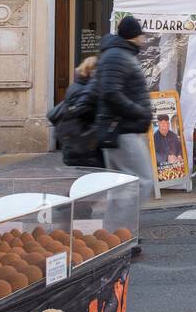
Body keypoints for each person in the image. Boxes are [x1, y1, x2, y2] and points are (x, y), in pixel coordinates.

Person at [95, 16, 155, 200]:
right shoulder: (117, 55)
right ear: (133, 36)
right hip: (122, 129)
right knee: (142, 181)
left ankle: (117, 226)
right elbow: (111, 93)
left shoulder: (121, 54)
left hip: (123, 128)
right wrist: (139, 111)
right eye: (141, 35)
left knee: (123, 185)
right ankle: (122, 226)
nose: (144, 39)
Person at [49, 56, 102, 168]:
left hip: (77, 143)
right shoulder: (83, 89)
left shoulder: (77, 86)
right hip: (82, 143)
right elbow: (84, 112)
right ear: (92, 71)